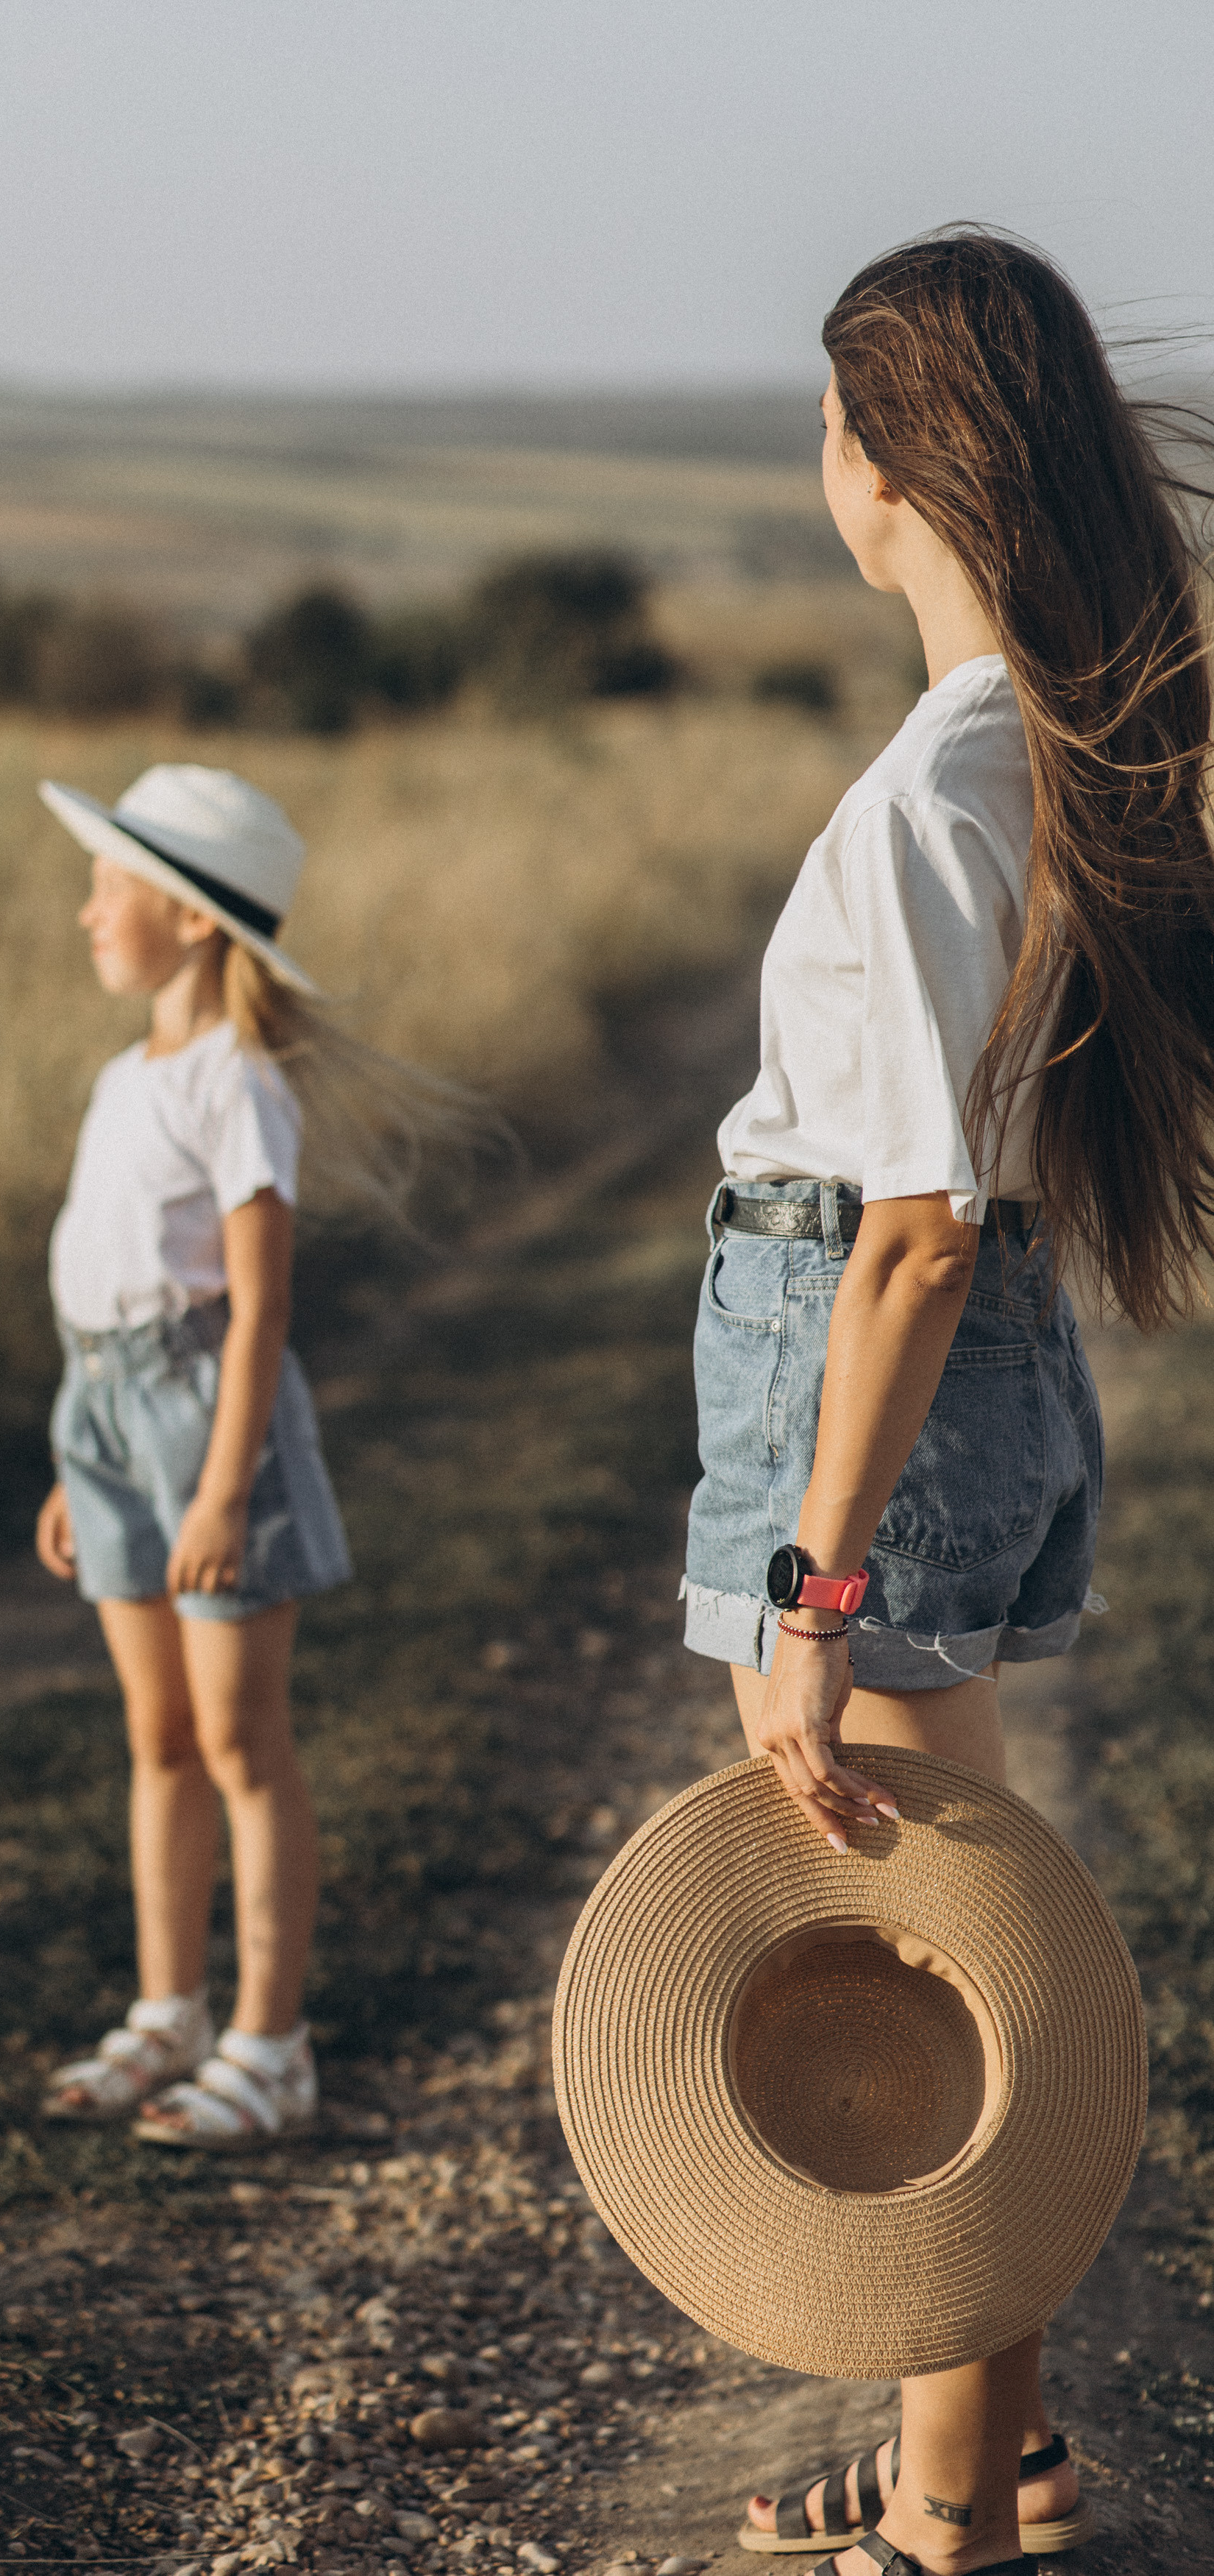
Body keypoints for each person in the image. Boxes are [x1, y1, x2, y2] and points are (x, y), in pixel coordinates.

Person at [678, 233, 1214, 2576]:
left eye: (828, 426)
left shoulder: (932, 786)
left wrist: (810, 1580)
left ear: (875, 463)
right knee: (944, 1951)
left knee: (934, 1981)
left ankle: (944, 2526)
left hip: (872, 1342)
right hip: (974, 1355)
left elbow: (900, 1225)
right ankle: (970, 2463)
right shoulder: (1063, 747)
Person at [31, 762, 462, 2149]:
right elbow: (103, 1278)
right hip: (102, 1413)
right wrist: (74, 1455)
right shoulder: (121, 1077)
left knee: (237, 1737)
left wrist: (219, 1485)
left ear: (196, 922)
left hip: (209, 1416)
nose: (90, 911)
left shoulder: (238, 1086)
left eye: (116, 887)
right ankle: (168, 2011)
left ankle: (270, 2046)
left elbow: (261, 1304)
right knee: (155, 1735)